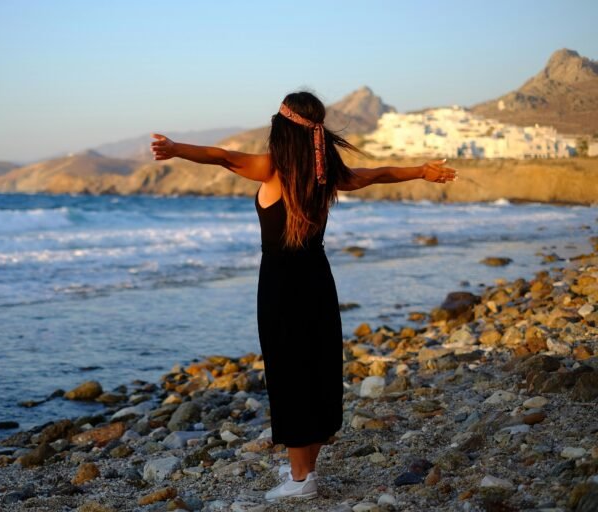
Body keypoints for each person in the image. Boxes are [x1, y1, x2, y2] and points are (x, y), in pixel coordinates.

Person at [150, 90, 457, 502]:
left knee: (290, 375)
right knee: (315, 370)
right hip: (318, 280)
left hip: (281, 286)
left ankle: (300, 482)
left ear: (281, 131)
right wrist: (422, 170)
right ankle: (306, 470)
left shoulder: (270, 169)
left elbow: (221, 155)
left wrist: (174, 149)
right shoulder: (328, 173)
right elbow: (377, 173)